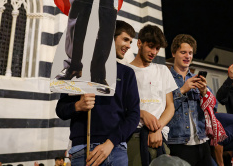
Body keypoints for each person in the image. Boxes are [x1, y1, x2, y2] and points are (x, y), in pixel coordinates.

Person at [55, 20, 140, 166]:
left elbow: (134, 115)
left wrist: (111, 142)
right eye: (125, 39)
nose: (128, 46)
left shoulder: (127, 73)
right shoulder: (76, 70)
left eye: (130, 41)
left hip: (116, 150)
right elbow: (60, 109)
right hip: (82, 149)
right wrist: (77, 106)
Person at [126, 24, 177, 166]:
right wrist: (141, 113)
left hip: (160, 137)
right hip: (134, 136)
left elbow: (170, 106)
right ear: (139, 43)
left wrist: (157, 128)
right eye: (150, 46)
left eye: (157, 48)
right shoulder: (126, 71)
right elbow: (122, 107)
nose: (154, 52)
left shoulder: (163, 70)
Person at [166, 34, 213, 166]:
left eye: (190, 53)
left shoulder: (197, 79)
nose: (188, 56)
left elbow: (212, 109)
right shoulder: (166, 78)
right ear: (174, 53)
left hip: (202, 141)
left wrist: (204, 93)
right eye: (183, 52)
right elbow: (163, 108)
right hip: (179, 143)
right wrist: (182, 90)